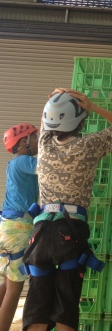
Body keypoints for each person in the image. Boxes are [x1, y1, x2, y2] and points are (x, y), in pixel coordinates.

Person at [22, 88, 112, 331]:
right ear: (81, 121)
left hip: (40, 234)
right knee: (66, 310)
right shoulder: (89, 145)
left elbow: (47, 120)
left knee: (36, 310)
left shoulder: (44, 144)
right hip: (70, 233)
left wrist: (53, 99)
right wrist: (92, 106)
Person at [0, 124, 39, 331]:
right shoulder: (24, 162)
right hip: (17, 228)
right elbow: (49, 165)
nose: (38, 141)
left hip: (9, 227)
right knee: (15, 289)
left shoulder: (14, 164)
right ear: (24, 142)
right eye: (35, 137)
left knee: (7, 284)